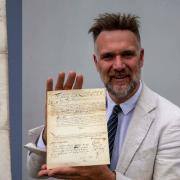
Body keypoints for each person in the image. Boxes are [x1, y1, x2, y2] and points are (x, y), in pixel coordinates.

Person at [25, 13, 180, 180]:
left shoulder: (172, 120)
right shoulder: (79, 110)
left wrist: (107, 178)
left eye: (127, 54)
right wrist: (49, 136)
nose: (119, 65)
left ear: (141, 58)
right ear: (96, 62)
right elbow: (35, 172)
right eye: (108, 56)